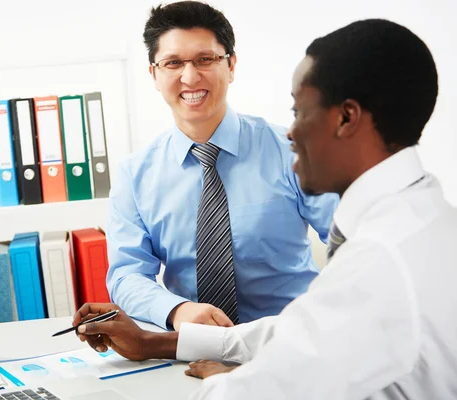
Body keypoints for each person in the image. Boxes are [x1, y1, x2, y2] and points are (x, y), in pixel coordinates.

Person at [74, 18, 457, 399]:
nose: (291, 133)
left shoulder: (374, 255)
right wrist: (159, 340)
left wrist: (222, 381)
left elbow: (281, 372)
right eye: (174, 63)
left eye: (299, 111)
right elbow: (310, 327)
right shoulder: (426, 216)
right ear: (155, 74)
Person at [107, 0, 338, 331]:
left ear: (231, 65)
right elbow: (127, 275)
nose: (189, 77)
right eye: (173, 63)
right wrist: (178, 310)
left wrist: (326, 313)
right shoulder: (135, 175)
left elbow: (350, 241)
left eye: (205, 59)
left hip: (291, 342)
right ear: (154, 75)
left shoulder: (291, 151)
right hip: (192, 347)